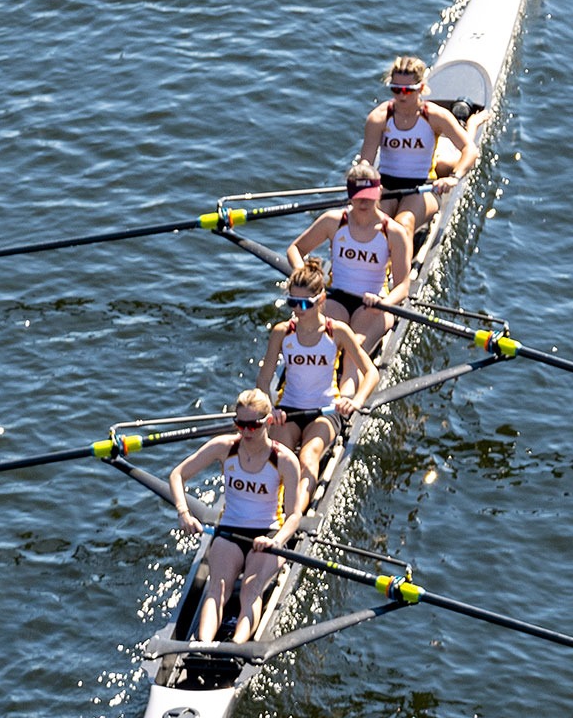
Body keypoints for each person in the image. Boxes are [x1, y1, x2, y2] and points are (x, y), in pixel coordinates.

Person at [168, 389, 307, 644]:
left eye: (253, 425)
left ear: (268, 421)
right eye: (240, 424)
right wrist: (183, 513)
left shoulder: (285, 460)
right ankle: (203, 645)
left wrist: (276, 542)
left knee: (250, 590)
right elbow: (177, 475)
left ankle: (237, 646)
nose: (246, 432)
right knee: (217, 587)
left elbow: (295, 516)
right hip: (229, 530)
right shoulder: (224, 447)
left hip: (268, 533)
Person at [255, 260, 379, 495]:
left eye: (305, 303)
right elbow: (263, 380)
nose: (298, 309)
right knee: (277, 459)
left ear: (321, 300)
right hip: (288, 408)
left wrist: (355, 401)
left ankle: (293, 518)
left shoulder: (338, 331)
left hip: (326, 410)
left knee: (307, 458)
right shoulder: (282, 332)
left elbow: (370, 372)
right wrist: (270, 408)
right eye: (293, 302)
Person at [285, 158, 413, 353]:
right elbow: (295, 249)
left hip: (373, 303)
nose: (364, 202)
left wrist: (384, 304)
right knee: (322, 345)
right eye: (359, 196)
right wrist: (303, 277)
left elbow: (403, 286)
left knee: (355, 348)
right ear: (350, 195)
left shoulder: (394, 233)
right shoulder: (333, 221)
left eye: (369, 196)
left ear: (379, 192)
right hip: (336, 297)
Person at [356, 54, 478, 240]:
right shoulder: (379, 117)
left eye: (407, 90)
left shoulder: (436, 116)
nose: (401, 95)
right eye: (396, 89)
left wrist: (454, 178)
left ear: (421, 88)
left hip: (423, 187)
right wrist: (363, 180)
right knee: (372, 226)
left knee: (403, 225)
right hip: (387, 186)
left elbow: (470, 150)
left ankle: (396, 265)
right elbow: (366, 160)